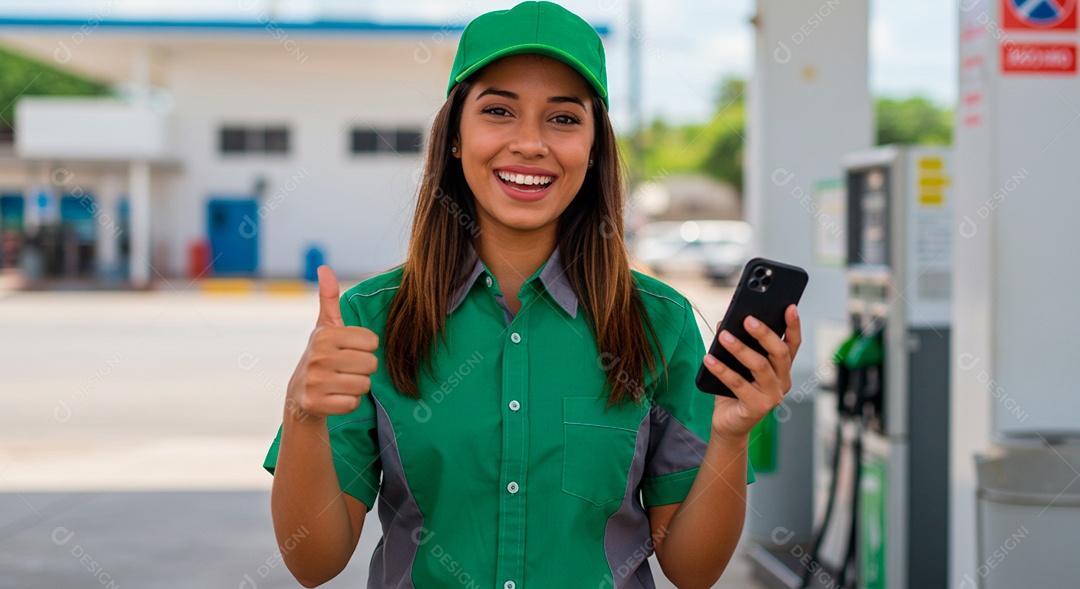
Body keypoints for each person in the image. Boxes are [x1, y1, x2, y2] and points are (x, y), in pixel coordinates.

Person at [263, 2, 801, 587]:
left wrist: (730, 436)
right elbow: (312, 563)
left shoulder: (660, 323)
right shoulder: (369, 319)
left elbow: (694, 572)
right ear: (455, 137)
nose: (530, 143)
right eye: (498, 111)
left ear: (594, 148)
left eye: (563, 118)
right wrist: (302, 415)